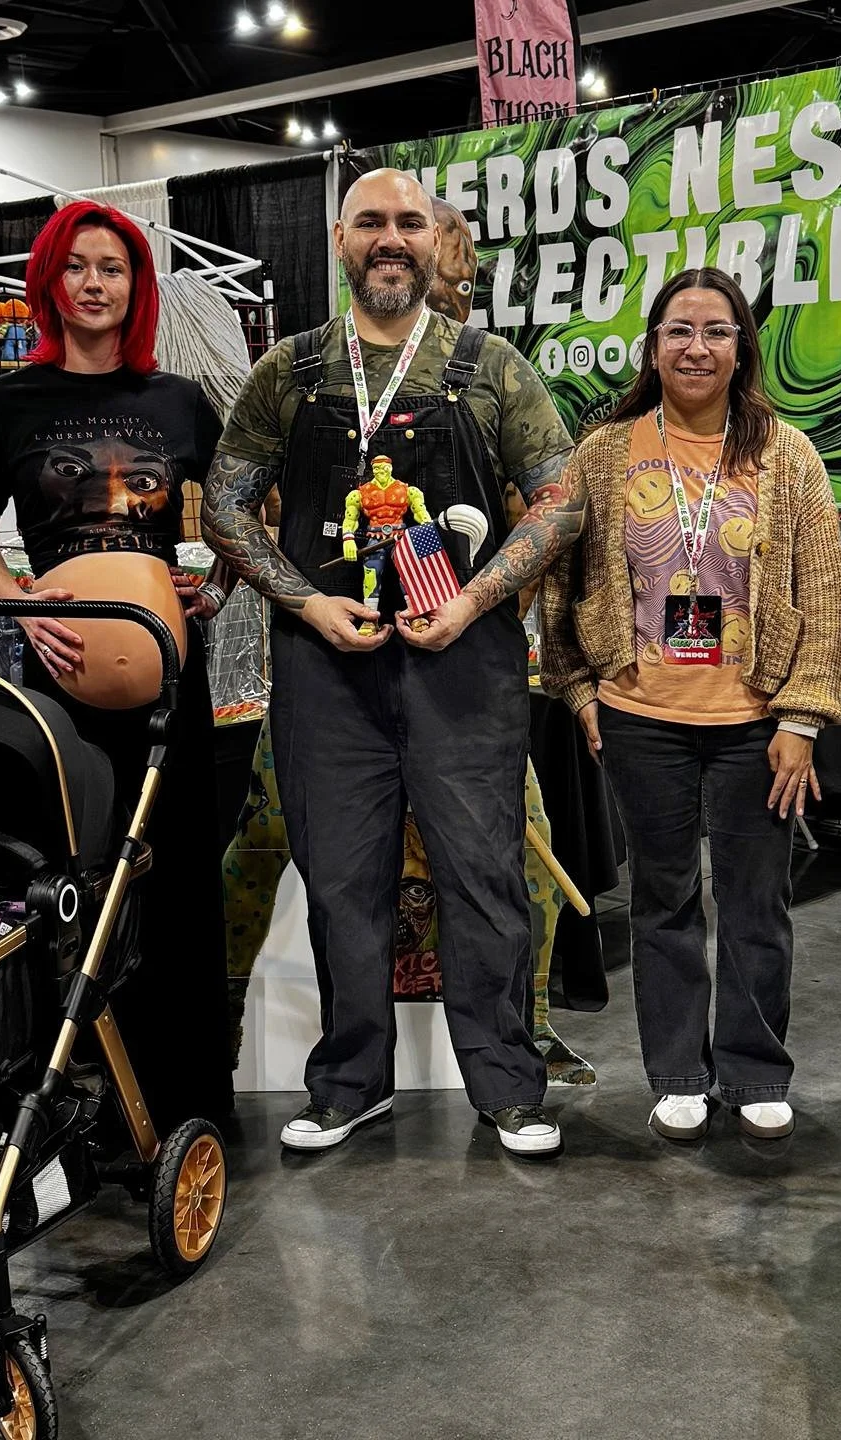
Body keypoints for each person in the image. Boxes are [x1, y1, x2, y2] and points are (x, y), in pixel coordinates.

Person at [202, 168, 583, 1158]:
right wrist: (304, 601)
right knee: (343, 882)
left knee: (483, 875)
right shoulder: (290, 372)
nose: (389, 237)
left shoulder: (493, 367)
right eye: (370, 220)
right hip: (328, 672)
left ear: (433, 239)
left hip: (465, 663)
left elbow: (561, 501)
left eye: (408, 221)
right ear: (339, 240)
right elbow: (224, 506)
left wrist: (474, 598)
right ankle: (350, 1084)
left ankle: (506, 1084)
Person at [539, 268, 841, 1142]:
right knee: (663, 900)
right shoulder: (606, 453)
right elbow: (562, 584)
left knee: (757, 903)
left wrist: (802, 720)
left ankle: (754, 1070)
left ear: (742, 345)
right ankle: (678, 1070)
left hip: (756, 722)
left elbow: (824, 595)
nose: (697, 348)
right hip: (642, 716)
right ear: (653, 345)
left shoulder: (786, 455)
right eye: (679, 330)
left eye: (716, 331)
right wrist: (576, 687)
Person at [0, 199, 232, 1134]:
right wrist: (21, 604)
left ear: (136, 285)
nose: (94, 284)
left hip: (169, 685)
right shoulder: (3, 404)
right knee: (73, 880)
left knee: (181, 879)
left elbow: (240, 516)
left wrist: (220, 586)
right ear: (49, 281)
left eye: (112, 268)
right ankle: (76, 1095)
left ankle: (190, 1094)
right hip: (59, 684)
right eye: (76, 267)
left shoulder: (177, 401)